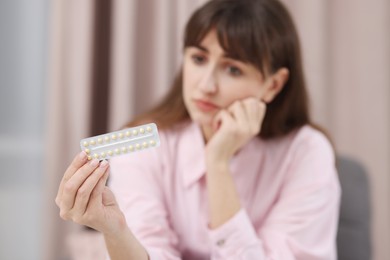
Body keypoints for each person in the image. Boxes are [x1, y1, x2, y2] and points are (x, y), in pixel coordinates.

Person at [56, 0, 340, 259]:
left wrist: (217, 164)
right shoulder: (144, 146)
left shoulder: (307, 153)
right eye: (199, 59)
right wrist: (116, 232)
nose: (206, 85)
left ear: (273, 85)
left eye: (233, 69)